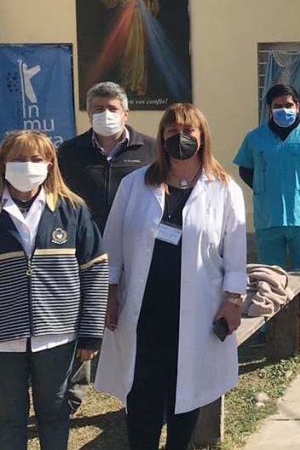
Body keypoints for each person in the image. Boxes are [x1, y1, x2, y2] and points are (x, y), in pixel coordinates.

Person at [96, 103, 247, 450]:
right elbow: (112, 246)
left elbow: (236, 255)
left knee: (185, 398)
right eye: (172, 131)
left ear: (202, 136)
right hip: (144, 313)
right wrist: (111, 294)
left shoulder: (224, 189)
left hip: (197, 312)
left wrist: (233, 301)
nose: (180, 137)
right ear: (162, 138)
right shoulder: (135, 184)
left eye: (188, 130)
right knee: (142, 398)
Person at [0, 131, 108, 450]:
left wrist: (91, 333)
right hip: (4, 338)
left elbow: (95, 269)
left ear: (50, 164)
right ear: (4, 164)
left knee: (56, 413)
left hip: (58, 336)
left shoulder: (72, 210)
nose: (27, 165)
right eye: (18, 159)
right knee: (8, 418)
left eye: (36, 159)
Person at [57, 80, 157, 413]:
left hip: (135, 253)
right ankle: (72, 394)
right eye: (98, 109)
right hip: (82, 254)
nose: (105, 114)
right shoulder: (68, 153)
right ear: (88, 114)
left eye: (112, 108)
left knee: (134, 321)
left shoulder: (151, 150)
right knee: (79, 321)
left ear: (126, 113)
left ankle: (137, 390)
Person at [234, 83, 300, 342]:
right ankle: (267, 325)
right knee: (268, 277)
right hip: (268, 218)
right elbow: (245, 170)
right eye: (277, 106)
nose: (283, 110)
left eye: (288, 105)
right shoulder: (255, 139)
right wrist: (265, 189)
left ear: (298, 106)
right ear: (269, 109)